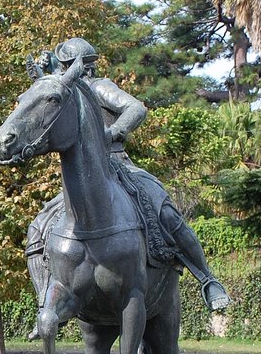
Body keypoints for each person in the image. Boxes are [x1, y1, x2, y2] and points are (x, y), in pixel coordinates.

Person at [26, 37, 230, 324]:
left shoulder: (98, 87)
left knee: (166, 214)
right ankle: (45, 303)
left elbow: (136, 108)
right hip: (81, 176)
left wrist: (113, 132)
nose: (63, 71)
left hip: (118, 165)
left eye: (65, 66)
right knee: (39, 227)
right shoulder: (70, 94)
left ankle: (208, 280)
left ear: (81, 67)